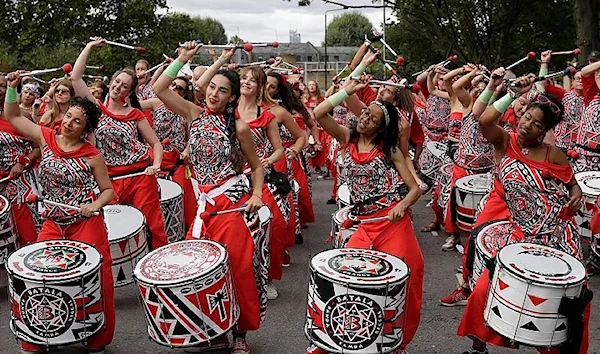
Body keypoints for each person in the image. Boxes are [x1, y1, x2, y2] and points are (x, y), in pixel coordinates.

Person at [457, 71, 590, 354]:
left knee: (562, 307)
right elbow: (484, 120)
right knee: (484, 290)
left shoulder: (553, 153)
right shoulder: (505, 142)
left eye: (536, 124)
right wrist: (513, 95)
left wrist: (576, 192)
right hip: (521, 233)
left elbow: (571, 181)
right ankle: (479, 345)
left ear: (544, 131)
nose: (528, 125)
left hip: (557, 236)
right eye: (527, 118)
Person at [153, 41, 264, 354]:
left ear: (231, 97)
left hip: (230, 206)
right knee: (201, 272)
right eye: (211, 87)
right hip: (203, 206)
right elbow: (159, 88)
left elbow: (256, 167)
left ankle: (240, 334)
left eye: (222, 90)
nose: (214, 94)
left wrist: (256, 193)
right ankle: (214, 330)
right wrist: (183, 58)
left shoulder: (239, 127)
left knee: (238, 270)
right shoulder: (194, 113)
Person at [306, 74, 424, 354]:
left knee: (410, 275)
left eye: (372, 119)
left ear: (382, 128)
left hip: (391, 224)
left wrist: (401, 206)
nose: (365, 120)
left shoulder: (390, 149)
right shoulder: (347, 138)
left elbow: (414, 189)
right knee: (348, 283)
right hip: (363, 225)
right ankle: (339, 341)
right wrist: (347, 90)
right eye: (364, 115)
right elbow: (319, 113)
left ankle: (397, 342)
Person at [5, 71, 116, 354]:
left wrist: (94, 206)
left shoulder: (92, 155)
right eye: (68, 118)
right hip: (53, 222)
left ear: (85, 128)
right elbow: (14, 116)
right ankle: (40, 336)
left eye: (76, 121)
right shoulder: (46, 137)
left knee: (96, 275)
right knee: (39, 278)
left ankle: (96, 338)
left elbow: (108, 191)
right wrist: (12, 88)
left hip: (84, 223)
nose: (68, 123)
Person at [70, 37, 168, 250]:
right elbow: (76, 77)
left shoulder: (134, 114)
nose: (118, 87)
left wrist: (156, 164)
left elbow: (156, 144)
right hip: (109, 180)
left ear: (130, 92)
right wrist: (89, 47)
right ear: (111, 82)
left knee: (152, 226)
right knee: (112, 229)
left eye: (124, 86)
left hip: (140, 177)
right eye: (116, 82)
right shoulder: (96, 108)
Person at [140, 75, 196, 230]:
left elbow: (194, 135)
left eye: (180, 88)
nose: (175, 89)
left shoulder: (187, 108)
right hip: (155, 159)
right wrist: (137, 83)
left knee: (184, 201)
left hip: (177, 162)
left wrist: (186, 151)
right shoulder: (156, 103)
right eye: (173, 85)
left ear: (184, 94)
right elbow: (131, 107)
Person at [0, 75, 40, 247]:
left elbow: (39, 147)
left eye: (2, 86)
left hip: (20, 186)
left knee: (27, 237)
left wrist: (22, 161)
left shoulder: (20, 116)